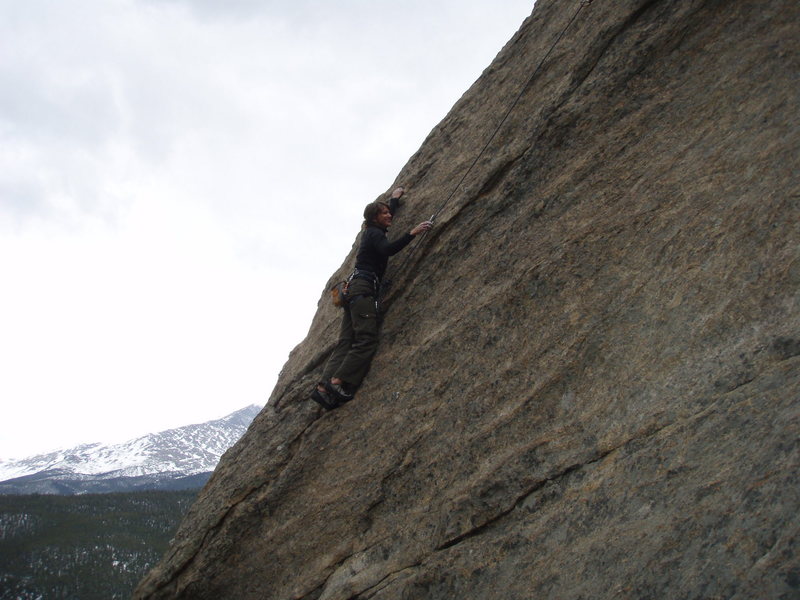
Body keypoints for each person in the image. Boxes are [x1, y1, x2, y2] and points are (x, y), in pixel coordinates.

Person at [311, 187, 432, 410]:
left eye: (389, 212)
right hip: (363, 289)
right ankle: (337, 382)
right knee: (366, 339)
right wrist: (411, 233)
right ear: (375, 218)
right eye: (384, 213)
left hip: (354, 290)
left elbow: (386, 216)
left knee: (346, 341)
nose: (389, 215)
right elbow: (387, 250)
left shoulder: (372, 230)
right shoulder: (375, 234)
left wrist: (394, 199)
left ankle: (322, 388)